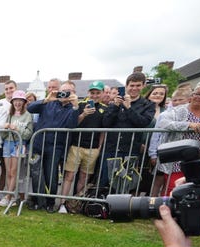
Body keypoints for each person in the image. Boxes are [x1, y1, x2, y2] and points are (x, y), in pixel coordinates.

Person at [155, 79, 200, 195]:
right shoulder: (179, 110)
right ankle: (166, 212)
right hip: (177, 159)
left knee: (194, 191)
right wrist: (188, 125)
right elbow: (164, 122)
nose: (199, 97)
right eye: (196, 93)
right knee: (173, 190)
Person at [27, 80, 80, 212]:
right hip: (39, 143)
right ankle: (37, 200)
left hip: (56, 146)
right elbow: (30, 108)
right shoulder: (49, 102)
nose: (65, 94)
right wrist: (45, 100)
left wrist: (75, 107)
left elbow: (72, 125)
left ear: (73, 93)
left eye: (68, 92)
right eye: (63, 91)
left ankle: (51, 202)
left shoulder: (72, 108)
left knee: (52, 175)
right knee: (36, 173)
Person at [98, 72, 155, 193]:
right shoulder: (115, 103)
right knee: (106, 180)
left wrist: (129, 108)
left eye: (138, 85)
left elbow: (143, 122)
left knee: (126, 182)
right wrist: (115, 106)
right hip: (112, 148)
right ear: (126, 86)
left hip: (131, 150)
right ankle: (102, 208)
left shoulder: (148, 105)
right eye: (132, 85)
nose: (134, 88)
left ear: (143, 86)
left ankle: (121, 209)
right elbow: (106, 123)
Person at [57, 81, 107, 213]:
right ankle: (62, 203)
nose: (94, 95)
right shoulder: (80, 105)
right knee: (69, 175)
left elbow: (103, 130)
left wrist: (99, 147)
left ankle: (76, 204)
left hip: (93, 148)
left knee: (84, 178)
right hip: (76, 146)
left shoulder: (104, 108)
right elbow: (73, 124)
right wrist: (84, 114)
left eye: (97, 93)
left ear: (102, 94)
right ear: (88, 93)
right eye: (92, 93)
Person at [0, 90, 34, 207]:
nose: (17, 103)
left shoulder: (28, 115)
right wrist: (5, 128)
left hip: (20, 144)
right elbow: (3, 133)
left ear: (24, 102)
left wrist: (17, 129)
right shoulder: (9, 115)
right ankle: (12, 195)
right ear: (12, 102)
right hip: (7, 143)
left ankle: (8, 196)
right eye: (15, 101)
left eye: (20, 101)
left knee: (14, 171)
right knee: (8, 172)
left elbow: (29, 134)